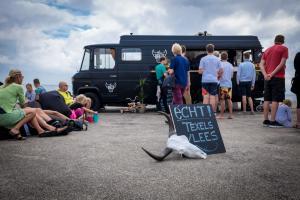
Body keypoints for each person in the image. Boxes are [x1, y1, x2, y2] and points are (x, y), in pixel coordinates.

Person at [0, 70, 64, 140]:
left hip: (2, 116)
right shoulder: (18, 87)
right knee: (32, 112)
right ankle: (16, 129)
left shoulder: (2, 87)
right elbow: (23, 104)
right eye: (22, 77)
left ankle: (41, 131)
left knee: (30, 111)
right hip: (5, 117)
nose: (23, 78)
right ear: (18, 77)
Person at [259, 35, 288, 128]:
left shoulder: (267, 50)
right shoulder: (284, 49)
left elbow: (261, 64)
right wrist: (272, 74)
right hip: (278, 77)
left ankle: (265, 120)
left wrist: (265, 74)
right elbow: (282, 63)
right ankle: (272, 121)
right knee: (276, 99)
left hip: (267, 78)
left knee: (267, 99)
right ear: (282, 41)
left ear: (275, 40)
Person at [198, 44, 223, 112]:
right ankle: (213, 113)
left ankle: (205, 113)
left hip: (205, 81)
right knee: (212, 97)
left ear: (206, 50)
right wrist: (219, 76)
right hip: (214, 81)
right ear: (213, 50)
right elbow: (221, 70)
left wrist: (204, 70)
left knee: (205, 97)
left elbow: (200, 71)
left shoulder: (203, 59)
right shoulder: (217, 59)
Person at [218, 52, 234, 119]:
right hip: (229, 84)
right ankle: (230, 115)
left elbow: (218, 74)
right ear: (227, 57)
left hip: (222, 84)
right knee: (229, 100)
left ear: (221, 57)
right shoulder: (230, 65)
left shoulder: (220, 64)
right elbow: (232, 76)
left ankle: (221, 115)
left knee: (222, 100)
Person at [291, 52, 300, 128]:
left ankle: (299, 123)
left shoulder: (298, 55)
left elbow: (295, 67)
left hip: (298, 80)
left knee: (299, 103)